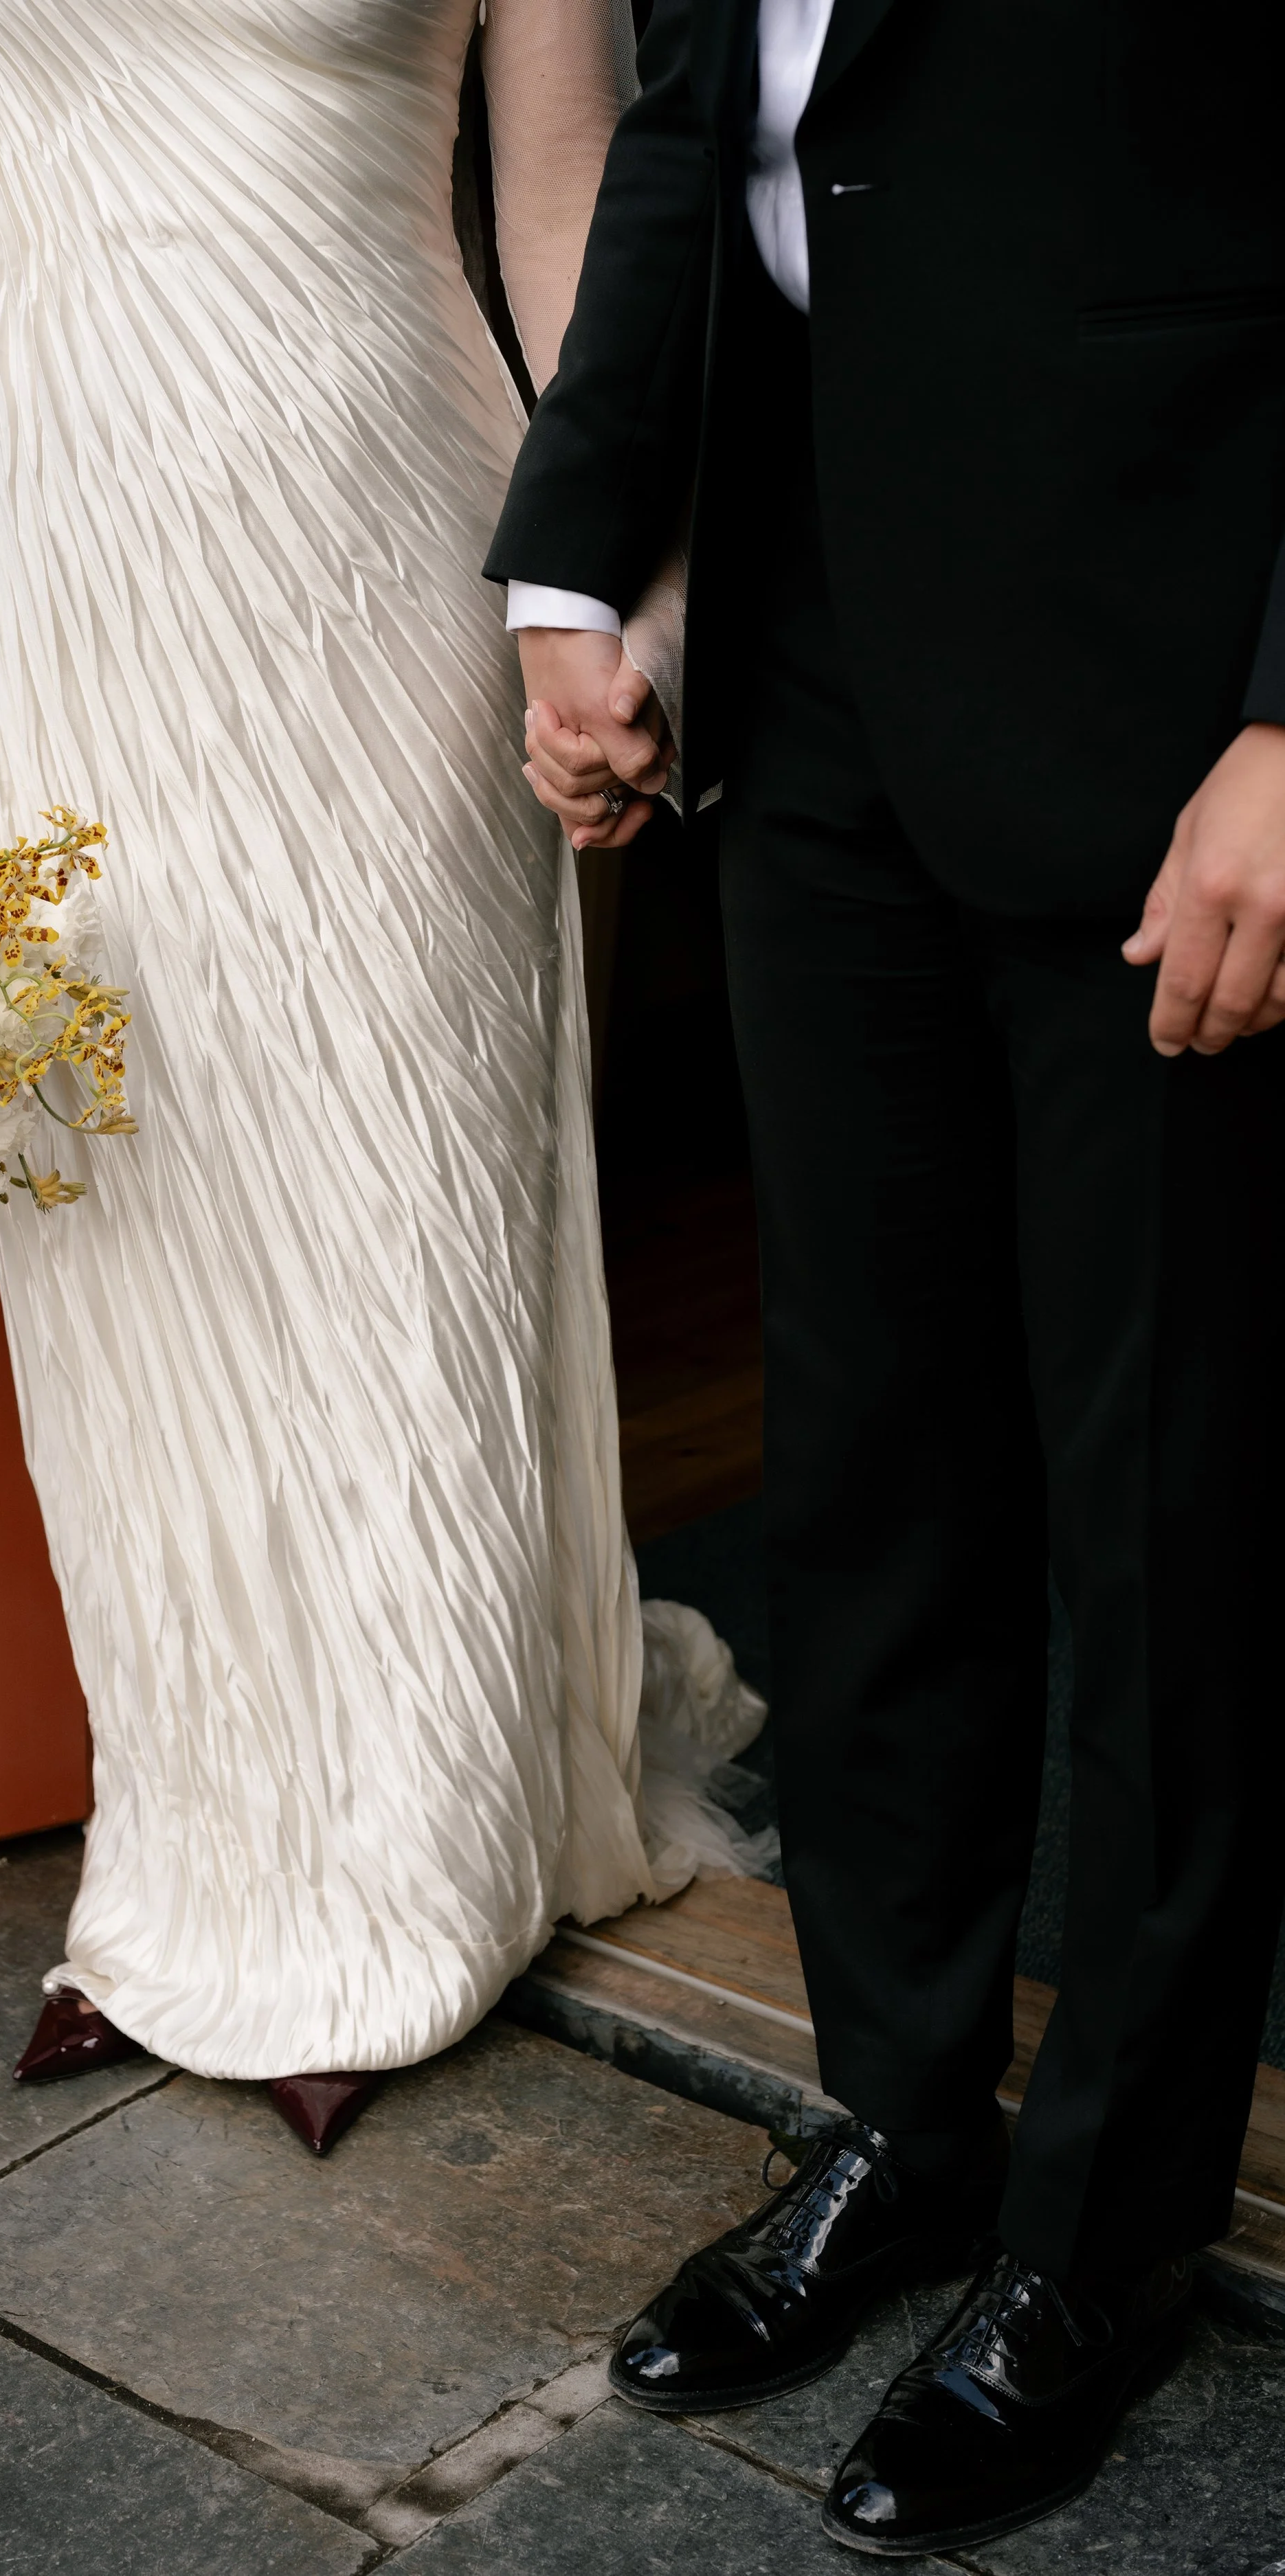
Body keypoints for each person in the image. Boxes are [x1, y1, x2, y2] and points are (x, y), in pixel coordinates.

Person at [0, 0, 768, 2158]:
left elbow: (571, 185)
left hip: (386, 539)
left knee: (407, 1197)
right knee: (137, 1245)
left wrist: (634, 582)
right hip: (38, 558)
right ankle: (197, 1869)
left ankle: (414, 1879)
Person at [489, 0, 1285, 2553]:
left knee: (1161, 1535)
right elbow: (696, 134)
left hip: (1173, 718)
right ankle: (903, 2133)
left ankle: (1095, 2248)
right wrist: (571, 565)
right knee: (864, 1480)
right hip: (814, 706)